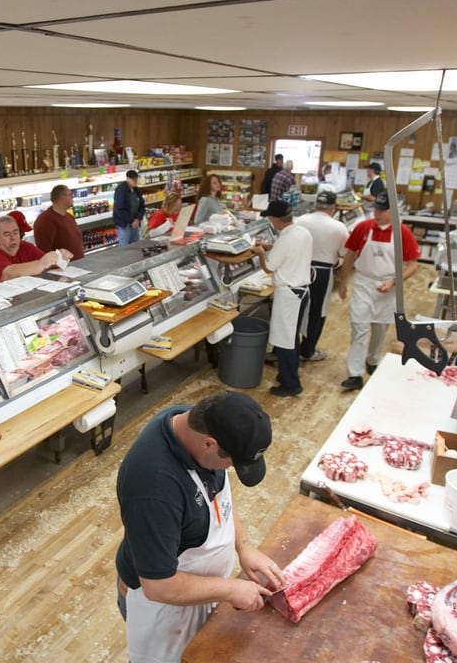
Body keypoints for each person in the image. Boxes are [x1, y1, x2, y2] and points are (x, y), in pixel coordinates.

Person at [115, 391, 285, 663]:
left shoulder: (198, 423)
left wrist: (245, 546)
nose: (229, 469)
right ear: (209, 444)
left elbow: (218, 496)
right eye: (231, 462)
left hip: (201, 594)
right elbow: (159, 587)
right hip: (162, 610)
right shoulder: (153, 487)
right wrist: (231, 589)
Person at [337, 190, 420, 390]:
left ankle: (372, 360)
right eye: (376, 209)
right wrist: (343, 281)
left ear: (393, 211)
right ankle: (355, 374)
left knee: (380, 329)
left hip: (387, 287)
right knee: (359, 329)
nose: (377, 213)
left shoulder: (403, 234)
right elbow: (350, 254)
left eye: (382, 210)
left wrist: (393, 282)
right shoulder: (363, 228)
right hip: (364, 283)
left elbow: (412, 264)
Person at [252, 200, 313, 397]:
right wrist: (271, 245)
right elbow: (287, 250)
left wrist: (261, 253)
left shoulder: (286, 239)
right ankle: (287, 374)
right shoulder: (301, 232)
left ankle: (291, 383)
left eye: (271, 218)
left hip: (289, 295)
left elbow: (269, 267)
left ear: (277, 219)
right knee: (292, 338)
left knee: (286, 341)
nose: (270, 221)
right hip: (301, 291)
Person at [295, 190, 349, 362]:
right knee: (317, 312)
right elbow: (343, 253)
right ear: (333, 207)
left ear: (315, 204)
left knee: (295, 309)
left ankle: (285, 348)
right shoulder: (338, 227)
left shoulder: (300, 221)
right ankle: (308, 350)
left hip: (299, 268)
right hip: (323, 271)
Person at [0, 215, 70, 289]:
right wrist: (41, 264)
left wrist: (59, 258)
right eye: (7, 234)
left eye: (15, 232)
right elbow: (9, 273)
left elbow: (47, 263)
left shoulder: (25, 247)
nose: (13, 238)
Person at [34, 184, 85, 260]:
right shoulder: (45, 221)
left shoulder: (69, 216)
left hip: (77, 267)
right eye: (70, 195)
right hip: (62, 270)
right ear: (62, 198)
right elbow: (43, 253)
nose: (73, 197)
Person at [113, 170, 146, 246]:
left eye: (136, 179)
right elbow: (120, 209)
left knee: (135, 246)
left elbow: (142, 205)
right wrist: (132, 220)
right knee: (125, 248)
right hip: (124, 224)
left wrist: (138, 218)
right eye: (133, 179)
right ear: (127, 178)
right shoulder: (121, 190)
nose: (135, 181)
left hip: (135, 223)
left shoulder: (136, 190)